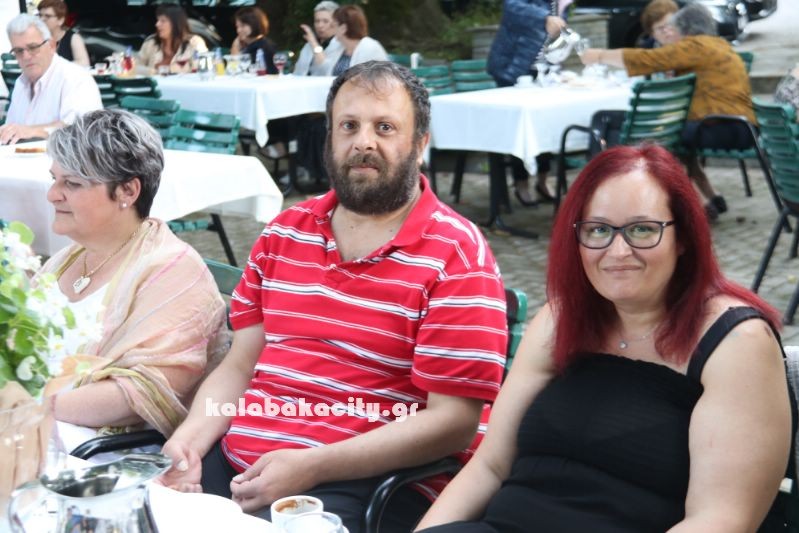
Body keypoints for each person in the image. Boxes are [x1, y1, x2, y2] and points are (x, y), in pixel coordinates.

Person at [159, 61, 508, 533]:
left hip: (370, 482)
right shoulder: (285, 232)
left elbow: (453, 423)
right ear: (329, 140)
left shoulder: (456, 253)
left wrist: (313, 465)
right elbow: (241, 365)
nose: (364, 142)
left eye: (384, 127)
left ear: (420, 144)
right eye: (349, 126)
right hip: (244, 465)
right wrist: (189, 444)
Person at [415, 144, 794, 533]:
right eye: (598, 230)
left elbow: (721, 519)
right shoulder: (561, 319)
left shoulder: (736, 343)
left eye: (642, 229)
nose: (618, 251)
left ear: (683, 238)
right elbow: (489, 466)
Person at [36, 109, 227, 436]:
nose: (52, 194)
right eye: (54, 179)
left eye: (72, 183)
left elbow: (143, 392)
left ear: (127, 191)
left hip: (104, 446)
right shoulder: (67, 259)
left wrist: (30, 408)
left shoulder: (173, 269)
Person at [580, 3, 754, 221]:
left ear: (684, 28)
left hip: (722, 128)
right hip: (739, 126)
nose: (670, 33)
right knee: (671, 131)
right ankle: (705, 198)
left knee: (618, 124)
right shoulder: (718, 44)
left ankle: (597, 195)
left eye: (673, 28)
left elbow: (647, 59)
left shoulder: (695, 46)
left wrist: (598, 55)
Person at [486, 0, 567, 207]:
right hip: (512, 68)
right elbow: (511, 6)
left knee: (546, 124)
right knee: (518, 127)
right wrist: (544, 18)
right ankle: (521, 182)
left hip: (543, 74)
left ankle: (542, 180)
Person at [0, 14, 100, 145]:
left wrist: (31, 131)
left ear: (51, 46)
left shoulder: (76, 78)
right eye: (18, 51)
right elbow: (12, 130)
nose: (26, 56)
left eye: (33, 47)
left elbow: (81, 130)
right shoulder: (20, 83)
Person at [137, 4, 207, 75]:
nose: (157, 24)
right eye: (157, 20)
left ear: (176, 23)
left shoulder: (194, 42)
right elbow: (135, 68)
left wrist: (168, 69)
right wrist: (153, 71)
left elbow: (202, 67)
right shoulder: (151, 42)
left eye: (163, 21)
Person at [327, 5, 388, 77]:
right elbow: (323, 68)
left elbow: (382, 77)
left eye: (333, 26)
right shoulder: (335, 44)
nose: (330, 29)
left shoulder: (371, 48)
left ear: (343, 28)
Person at [293, 1, 343, 77]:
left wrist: (314, 44)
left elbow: (327, 70)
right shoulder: (308, 45)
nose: (320, 25)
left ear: (336, 23)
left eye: (325, 21)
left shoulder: (340, 45)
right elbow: (297, 71)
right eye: (317, 21)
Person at [36, 0, 90, 67]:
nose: (41, 19)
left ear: (60, 20)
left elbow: (84, 63)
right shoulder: (36, 38)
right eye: (40, 15)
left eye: (47, 16)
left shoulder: (73, 38)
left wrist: (56, 68)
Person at [230, 6, 277, 74]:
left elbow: (237, 71)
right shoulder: (249, 45)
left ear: (254, 24)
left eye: (243, 26)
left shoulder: (263, 47)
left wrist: (235, 50)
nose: (238, 30)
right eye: (237, 26)